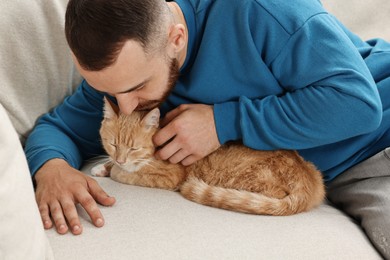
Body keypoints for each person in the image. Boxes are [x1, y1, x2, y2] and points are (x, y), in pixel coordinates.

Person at [25, 0, 390, 257]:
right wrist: (51, 168)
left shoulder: (261, 10)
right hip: (300, 173)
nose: (126, 107)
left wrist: (222, 122)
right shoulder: (122, 76)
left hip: (375, 144)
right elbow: (57, 129)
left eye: (137, 88)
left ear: (177, 38)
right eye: (109, 93)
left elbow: (358, 104)